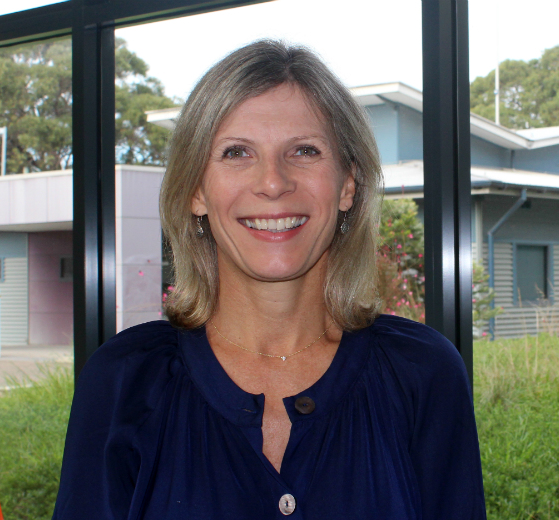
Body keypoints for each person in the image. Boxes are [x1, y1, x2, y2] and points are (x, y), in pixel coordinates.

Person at [53, 40, 486, 519]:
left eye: (304, 150)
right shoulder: (121, 382)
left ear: (347, 185)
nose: (273, 182)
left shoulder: (424, 374)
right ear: (196, 191)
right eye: (237, 152)